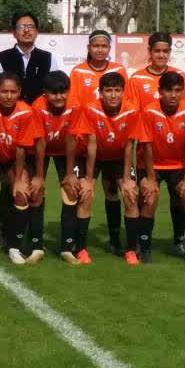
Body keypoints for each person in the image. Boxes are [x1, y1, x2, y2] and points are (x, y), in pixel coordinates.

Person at [126, 31, 185, 255]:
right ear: (149, 52)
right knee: (147, 196)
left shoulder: (179, 76)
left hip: (174, 152)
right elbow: (133, 114)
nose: (161, 55)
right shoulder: (136, 79)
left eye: (165, 51)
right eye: (157, 51)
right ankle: (141, 243)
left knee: (179, 198)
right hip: (147, 150)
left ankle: (180, 240)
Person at [69, 72, 140, 265]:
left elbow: (129, 146)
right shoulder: (90, 109)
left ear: (123, 92)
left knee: (130, 194)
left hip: (118, 157)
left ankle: (130, 250)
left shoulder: (132, 110)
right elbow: (91, 144)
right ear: (100, 92)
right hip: (93, 156)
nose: (113, 95)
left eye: (117, 90)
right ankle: (81, 248)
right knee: (86, 194)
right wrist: (89, 179)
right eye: (108, 90)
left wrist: (126, 179)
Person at [136, 71, 185, 265]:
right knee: (150, 197)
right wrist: (150, 178)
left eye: (178, 90)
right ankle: (144, 248)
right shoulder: (149, 111)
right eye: (169, 90)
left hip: (179, 165)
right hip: (151, 164)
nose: (173, 95)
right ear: (160, 92)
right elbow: (146, 146)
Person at [0, 72, 41, 265]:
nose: (8, 96)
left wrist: (17, 180)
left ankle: (13, 247)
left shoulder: (25, 111)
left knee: (21, 192)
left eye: (13, 91)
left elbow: (22, 148)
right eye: (3, 91)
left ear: (19, 92)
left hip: (13, 158)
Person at [29, 71, 82, 256]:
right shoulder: (37, 106)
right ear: (45, 93)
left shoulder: (75, 105)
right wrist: (38, 176)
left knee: (71, 190)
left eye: (63, 92)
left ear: (68, 91)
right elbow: (40, 143)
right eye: (54, 93)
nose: (59, 97)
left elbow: (70, 140)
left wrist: (69, 174)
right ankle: (36, 245)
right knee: (35, 191)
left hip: (64, 150)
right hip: (42, 149)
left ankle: (67, 246)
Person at [0, 12, 59, 103]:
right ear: (14, 33)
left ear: (37, 32)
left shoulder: (48, 58)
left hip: (39, 113)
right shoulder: (1, 58)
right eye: (21, 26)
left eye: (30, 26)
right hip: (11, 114)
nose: (26, 30)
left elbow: (54, 88)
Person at [68, 30, 128, 109]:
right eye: (96, 46)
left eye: (104, 46)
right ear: (89, 48)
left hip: (111, 119)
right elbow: (72, 100)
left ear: (109, 48)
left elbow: (126, 97)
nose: (100, 50)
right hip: (87, 119)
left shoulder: (119, 69)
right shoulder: (78, 71)